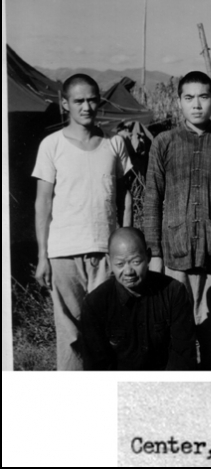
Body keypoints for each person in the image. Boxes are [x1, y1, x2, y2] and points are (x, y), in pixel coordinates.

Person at [143, 70, 211, 370]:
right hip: (174, 253)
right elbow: (152, 199)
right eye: (189, 98)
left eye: (203, 97)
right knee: (177, 330)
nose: (197, 105)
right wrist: (155, 254)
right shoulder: (164, 143)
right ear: (179, 102)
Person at [32, 73, 132, 371]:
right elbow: (43, 203)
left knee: (107, 332)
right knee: (71, 335)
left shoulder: (114, 144)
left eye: (92, 99)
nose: (86, 107)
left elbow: (124, 197)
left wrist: (123, 248)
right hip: (63, 254)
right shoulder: (51, 145)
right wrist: (42, 257)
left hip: (105, 254)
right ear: (65, 104)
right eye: (78, 101)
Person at [80, 228, 196, 371]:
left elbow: (183, 356)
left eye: (135, 262)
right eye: (120, 264)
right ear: (109, 262)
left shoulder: (174, 293)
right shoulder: (95, 304)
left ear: (148, 256)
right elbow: (97, 366)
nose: (128, 271)